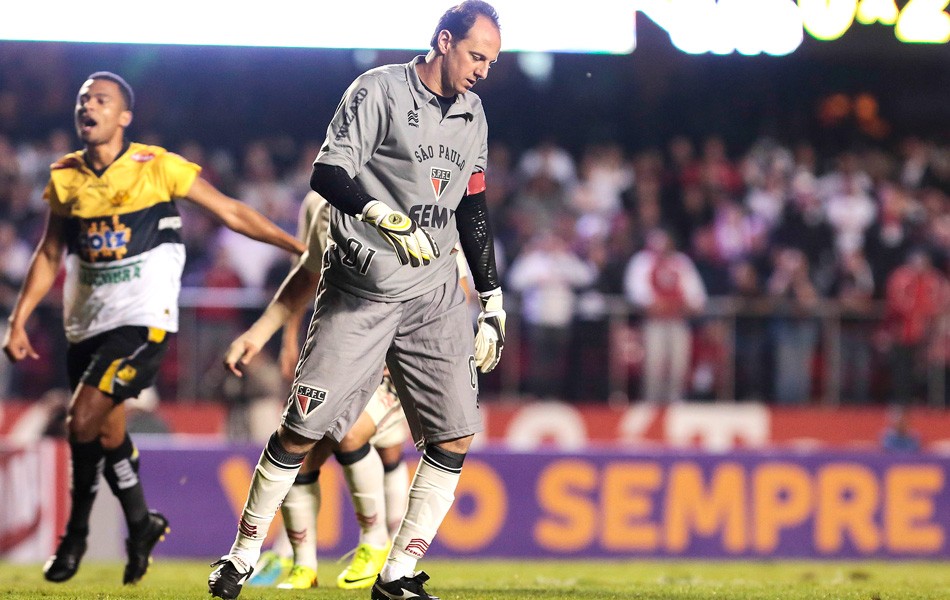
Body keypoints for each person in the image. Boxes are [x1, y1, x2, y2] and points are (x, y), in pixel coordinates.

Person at [208, 3, 505, 599]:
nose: (484, 72)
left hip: (434, 295)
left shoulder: (473, 114)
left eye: (492, 62)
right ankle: (242, 554)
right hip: (361, 290)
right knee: (303, 430)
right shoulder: (378, 91)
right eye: (477, 56)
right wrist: (381, 214)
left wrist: (492, 298)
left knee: (453, 438)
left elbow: (472, 207)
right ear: (444, 42)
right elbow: (328, 172)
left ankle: (395, 574)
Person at [2, 72, 305, 586]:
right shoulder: (65, 177)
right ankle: (141, 523)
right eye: (82, 99)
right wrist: (20, 318)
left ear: (123, 117)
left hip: (144, 321)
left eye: (100, 100)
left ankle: (73, 537)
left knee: (80, 420)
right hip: (87, 322)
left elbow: (229, 211)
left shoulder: (156, 166)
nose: (87, 106)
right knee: (107, 427)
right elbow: (50, 252)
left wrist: (298, 248)